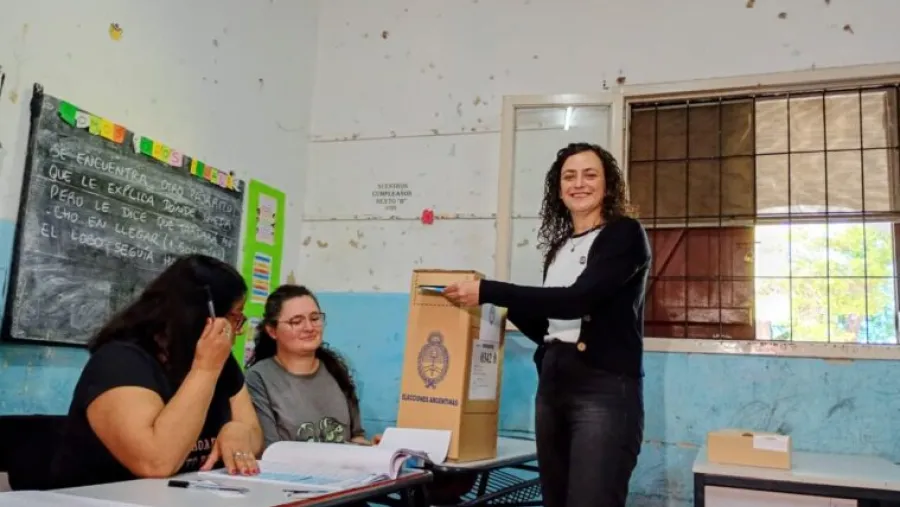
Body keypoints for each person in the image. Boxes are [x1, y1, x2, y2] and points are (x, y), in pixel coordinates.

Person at [443, 142, 651, 507]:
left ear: (608, 186)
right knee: (554, 500)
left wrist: (491, 290)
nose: (579, 183)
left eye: (590, 175)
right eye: (569, 176)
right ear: (558, 188)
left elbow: (578, 300)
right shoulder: (560, 249)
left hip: (603, 388)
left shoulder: (624, 235)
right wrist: (492, 301)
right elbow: (549, 329)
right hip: (554, 384)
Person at [49, 254, 264, 489]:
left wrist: (238, 431)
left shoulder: (221, 362)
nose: (238, 330)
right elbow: (156, 463)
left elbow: (254, 434)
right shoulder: (120, 362)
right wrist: (205, 369)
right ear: (205, 317)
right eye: (235, 317)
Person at [245, 284, 371, 449]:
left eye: (315, 319)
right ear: (272, 331)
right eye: (296, 322)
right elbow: (270, 450)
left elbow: (356, 437)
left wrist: (373, 448)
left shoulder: (335, 369)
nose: (309, 328)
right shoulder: (258, 378)